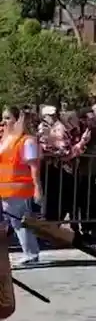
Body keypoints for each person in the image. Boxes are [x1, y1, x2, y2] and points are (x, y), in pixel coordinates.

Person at [0, 107, 44, 266]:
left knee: (19, 221)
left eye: (7, 118)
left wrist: (37, 187)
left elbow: (34, 166)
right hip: (6, 188)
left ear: (18, 119)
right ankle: (31, 253)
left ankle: (31, 253)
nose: (4, 122)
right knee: (16, 222)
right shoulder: (6, 140)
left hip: (19, 188)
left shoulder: (26, 140)